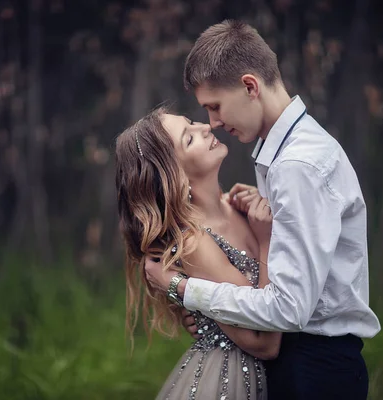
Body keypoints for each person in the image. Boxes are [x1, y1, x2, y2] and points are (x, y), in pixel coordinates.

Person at [144, 20, 381, 400]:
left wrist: (186, 290)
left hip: (315, 369)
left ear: (250, 86)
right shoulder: (283, 157)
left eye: (215, 107)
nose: (213, 124)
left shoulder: (297, 166)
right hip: (303, 362)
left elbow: (288, 309)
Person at [115, 108, 282, 399]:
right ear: (176, 176)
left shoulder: (236, 205)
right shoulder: (194, 243)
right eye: (189, 139)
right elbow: (264, 343)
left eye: (192, 124)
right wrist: (268, 242)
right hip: (232, 383)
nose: (205, 127)